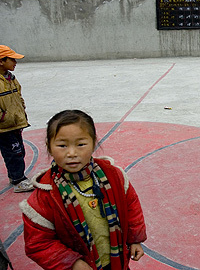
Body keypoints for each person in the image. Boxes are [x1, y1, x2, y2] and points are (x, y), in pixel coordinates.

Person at [20, 110, 147, 270]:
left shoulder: (114, 176)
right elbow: (38, 243)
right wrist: (72, 262)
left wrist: (134, 239)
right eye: (62, 145)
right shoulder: (45, 195)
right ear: (49, 147)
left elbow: (132, 207)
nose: (72, 153)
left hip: (117, 261)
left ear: (94, 143)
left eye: (80, 144)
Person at [0, 45, 33, 193]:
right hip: (4, 126)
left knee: (19, 151)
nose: (15, 62)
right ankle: (18, 180)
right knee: (14, 152)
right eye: (12, 59)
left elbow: (18, 96)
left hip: (15, 123)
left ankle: (15, 175)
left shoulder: (11, 78)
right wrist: (3, 117)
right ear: (1, 61)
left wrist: (21, 113)